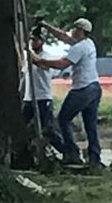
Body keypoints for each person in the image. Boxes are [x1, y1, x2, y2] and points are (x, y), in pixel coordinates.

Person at [54, 17, 104, 166]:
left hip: (82, 89)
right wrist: (45, 26)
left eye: (76, 28)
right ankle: (94, 158)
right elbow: (63, 36)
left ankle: (72, 153)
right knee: (91, 124)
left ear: (81, 31)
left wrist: (38, 60)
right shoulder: (88, 43)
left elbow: (62, 64)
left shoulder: (79, 48)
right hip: (95, 87)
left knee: (63, 119)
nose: (73, 30)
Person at [23, 24, 67, 155]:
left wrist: (29, 53)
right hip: (29, 98)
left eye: (36, 40)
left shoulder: (48, 57)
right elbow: (24, 76)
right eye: (31, 40)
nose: (32, 42)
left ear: (42, 42)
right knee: (22, 126)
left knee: (47, 128)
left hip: (43, 97)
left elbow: (41, 64)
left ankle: (65, 150)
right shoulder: (27, 57)